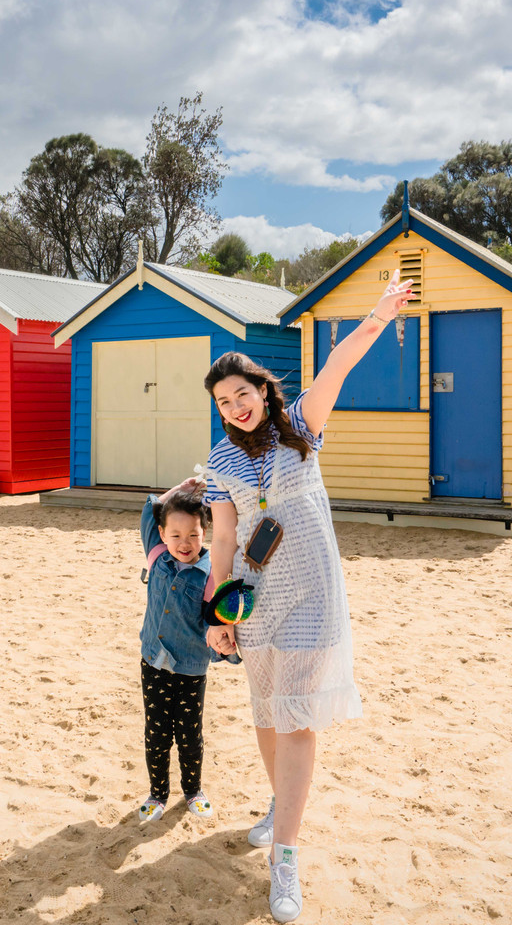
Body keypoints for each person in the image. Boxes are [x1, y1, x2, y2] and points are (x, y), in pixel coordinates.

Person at [200, 276, 416, 922]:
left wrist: (377, 316)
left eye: (242, 393)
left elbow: (337, 362)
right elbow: (222, 538)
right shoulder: (218, 460)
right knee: (266, 714)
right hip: (253, 596)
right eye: (223, 401)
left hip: (313, 591)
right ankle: (278, 807)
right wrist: (217, 612)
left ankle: (285, 856)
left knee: (294, 720)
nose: (235, 407)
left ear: (263, 391)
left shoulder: (300, 427)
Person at [135, 477, 239, 824]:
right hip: (153, 663)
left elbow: (216, 624)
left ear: (204, 534)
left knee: (189, 735)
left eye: (193, 535)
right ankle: (158, 794)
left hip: (191, 668)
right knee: (156, 733)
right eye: (175, 535)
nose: (184, 543)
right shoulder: (157, 557)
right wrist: (181, 488)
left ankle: (193, 791)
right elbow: (148, 511)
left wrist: (224, 643)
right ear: (162, 535)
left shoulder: (211, 573)